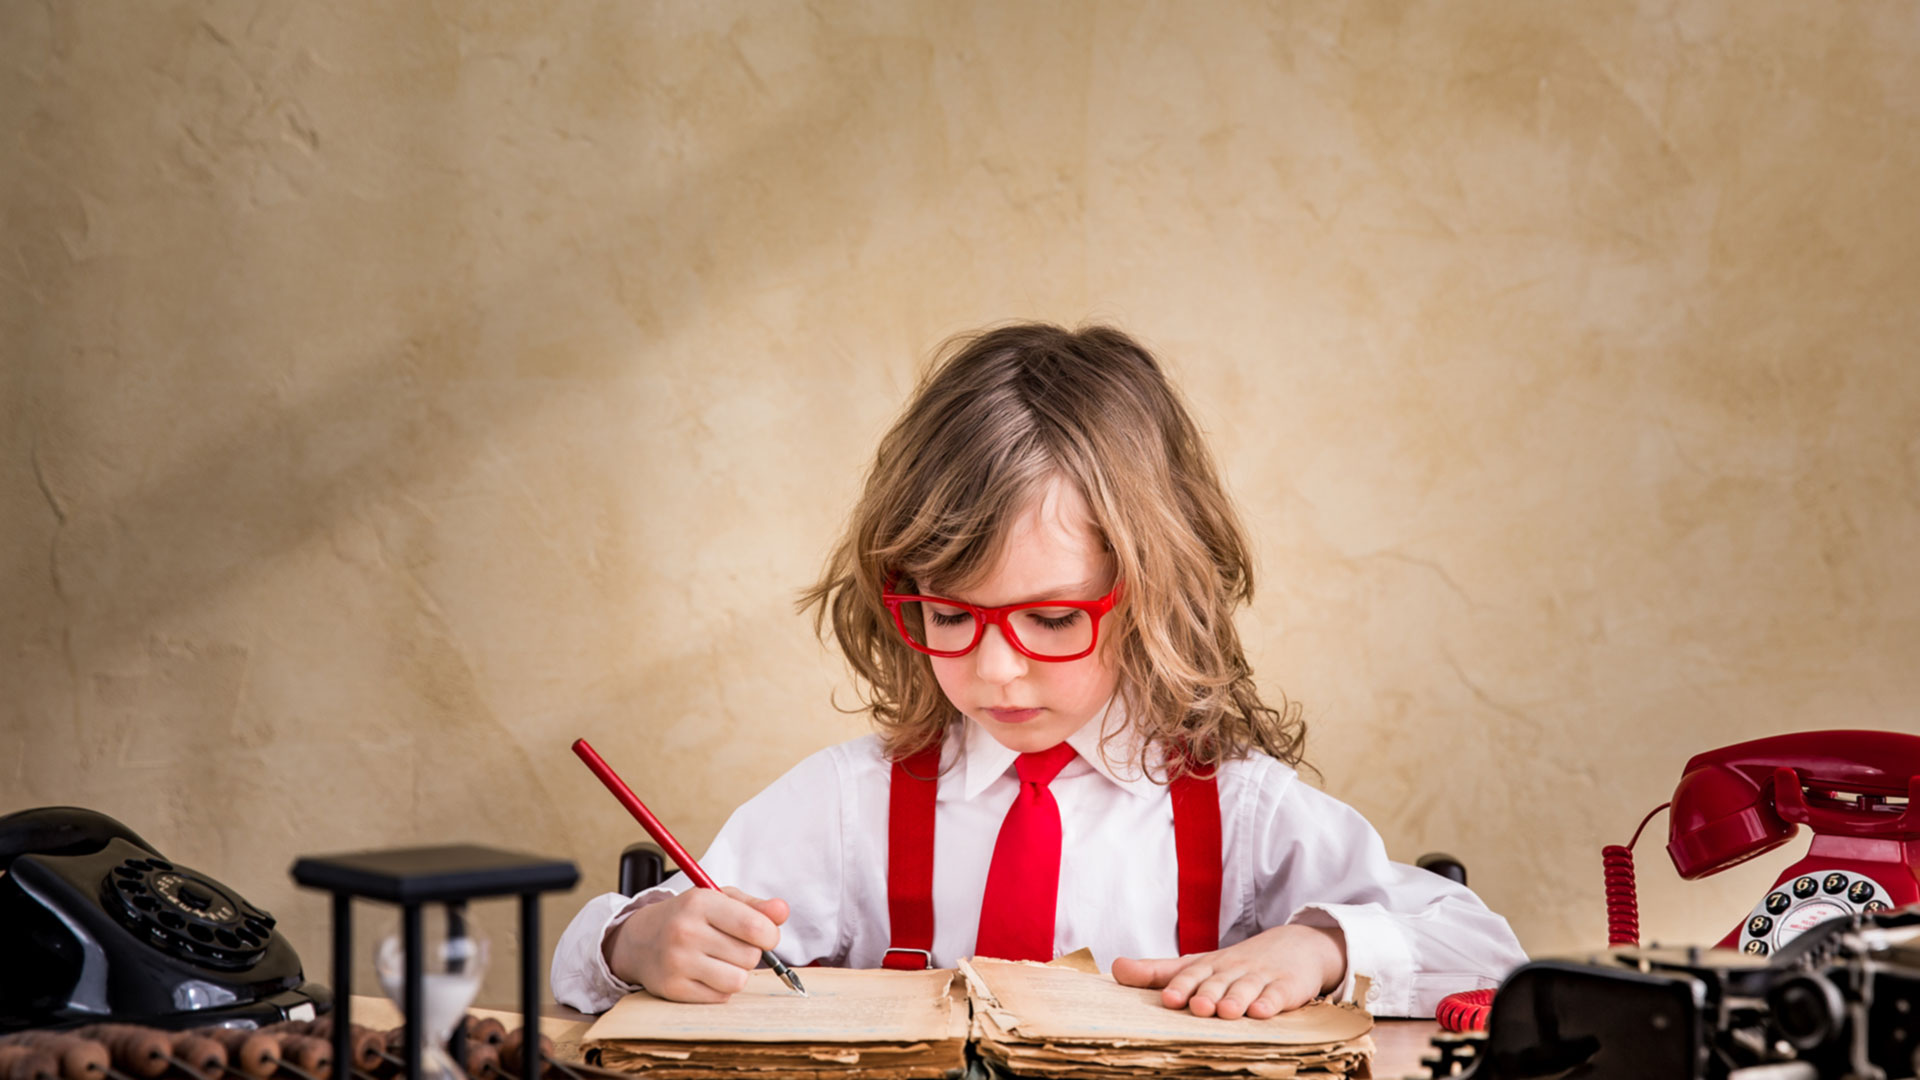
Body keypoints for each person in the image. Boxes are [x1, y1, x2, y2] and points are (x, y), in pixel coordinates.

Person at [552, 324, 1525, 1020]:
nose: (995, 668)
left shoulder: (1240, 813)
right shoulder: (850, 805)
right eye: (948, 615)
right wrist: (631, 941)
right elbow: (604, 950)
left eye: (1053, 617)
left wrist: (1321, 944)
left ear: (1151, 592)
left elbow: (1487, 954)